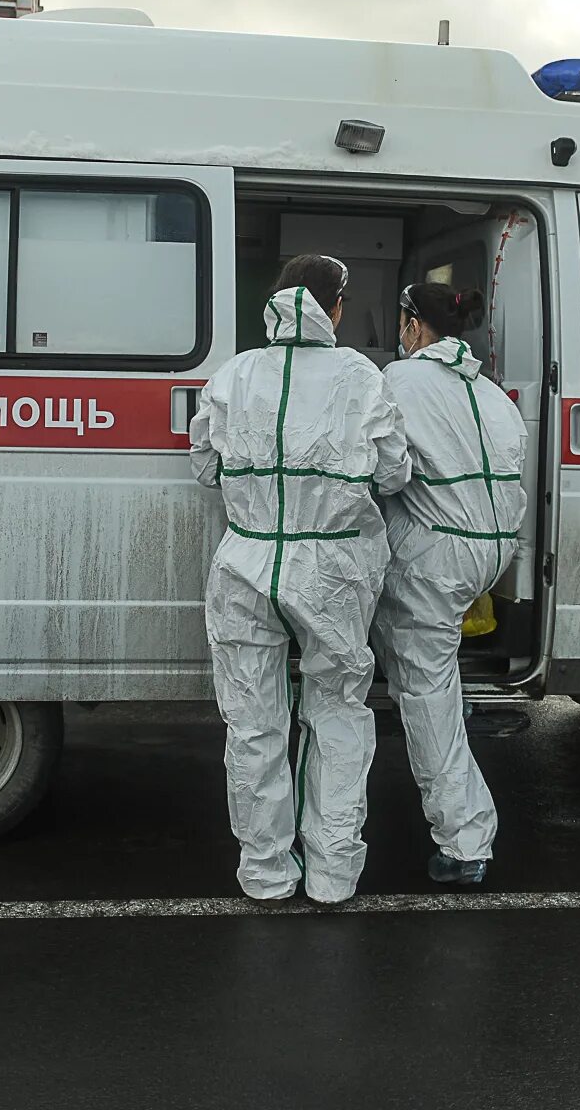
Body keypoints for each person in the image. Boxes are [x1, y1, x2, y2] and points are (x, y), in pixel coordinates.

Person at [189, 253, 411, 904]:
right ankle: (334, 878)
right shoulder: (361, 377)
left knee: (253, 724)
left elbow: (204, 466)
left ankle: (264, 875)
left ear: (277, 302)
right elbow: (394, 473)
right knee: (338, 714)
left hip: (246, 562)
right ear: (334, 308)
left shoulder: (235, 374)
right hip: (334, 568)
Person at [371, 282, 526, 886]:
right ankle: (443, 701)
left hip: (438, 558)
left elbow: (384, 472)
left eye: (402, 321)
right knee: (426, 666)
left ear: (415, 326)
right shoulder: (492, 394)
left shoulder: (400, 383)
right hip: (491, 554)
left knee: (424, 692)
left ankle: (466, 842)